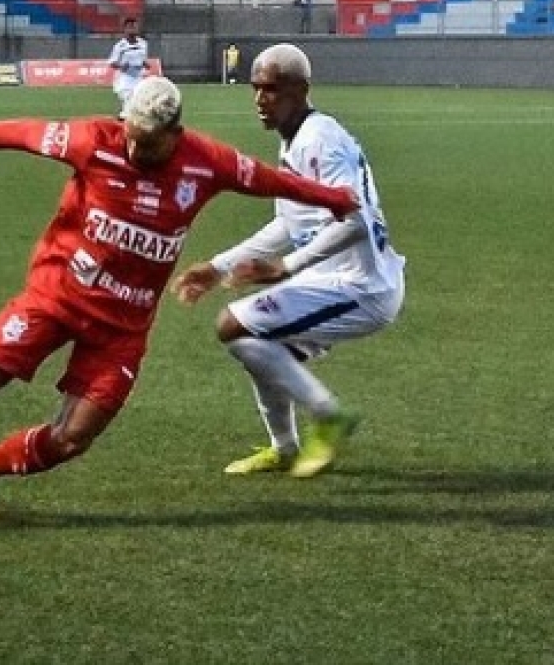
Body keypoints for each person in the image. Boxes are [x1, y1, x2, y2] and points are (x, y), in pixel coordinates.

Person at [0, 76, 359, 524]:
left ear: (175, 132)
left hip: (123, 326)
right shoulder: (93, 139)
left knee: (73, 438)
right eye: (130, 133)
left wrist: (333, 197)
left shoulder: (205, 161)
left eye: (148, 139)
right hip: (57, 295)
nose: (135, 145)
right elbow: (13, 131)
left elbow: (267, 180)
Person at [171, 43, 405, 479]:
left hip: (360, 286)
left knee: (233, 324)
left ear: (300, 90)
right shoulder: (296, 141)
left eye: (272, 90)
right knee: (254, 345)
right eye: (256, 88)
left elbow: (358, 219)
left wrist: (288, 266)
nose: (260, 99)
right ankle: (285, 448)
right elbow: (286, 224)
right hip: (335, 279)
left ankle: (328, 414)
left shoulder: (319, 141)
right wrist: (220, 266)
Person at [107, 16, 150, 119]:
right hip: (125, 79)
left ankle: (123, 121)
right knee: (129, 101)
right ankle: (124, 122)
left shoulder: (143, 44)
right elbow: (112, 62)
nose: (132, 29)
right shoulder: (120, 46)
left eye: (134, 26)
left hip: (138, 78)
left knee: (137, 103)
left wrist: (145, 64)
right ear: (125, 29)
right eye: (130, 27)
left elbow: (143, 59)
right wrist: (121, 66)